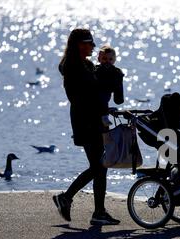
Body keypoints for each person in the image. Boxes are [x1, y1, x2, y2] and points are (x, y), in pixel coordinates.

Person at [53, 28, 120, 225]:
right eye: (89, 42)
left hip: (95, 118)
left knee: (101, 166)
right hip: (86, 120)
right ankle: (67, 197)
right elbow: (84, 95)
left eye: (92, 42)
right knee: (99, 165)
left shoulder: (88, 65)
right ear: (78, 45)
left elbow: (98, 91)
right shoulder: (73, 67)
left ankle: (98, 211)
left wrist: (112, 76)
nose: (93, 46)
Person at [95, 45, 124, 128]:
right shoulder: (95, 70)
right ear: (99, 59)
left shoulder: (116, 72)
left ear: (114, 60)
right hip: (94, 96)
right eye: (104, 58)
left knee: (103, 97)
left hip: (104, 97)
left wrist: (118, 78)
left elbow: (119, 99)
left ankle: (104, 115)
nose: (107, 61)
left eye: (110, 59)